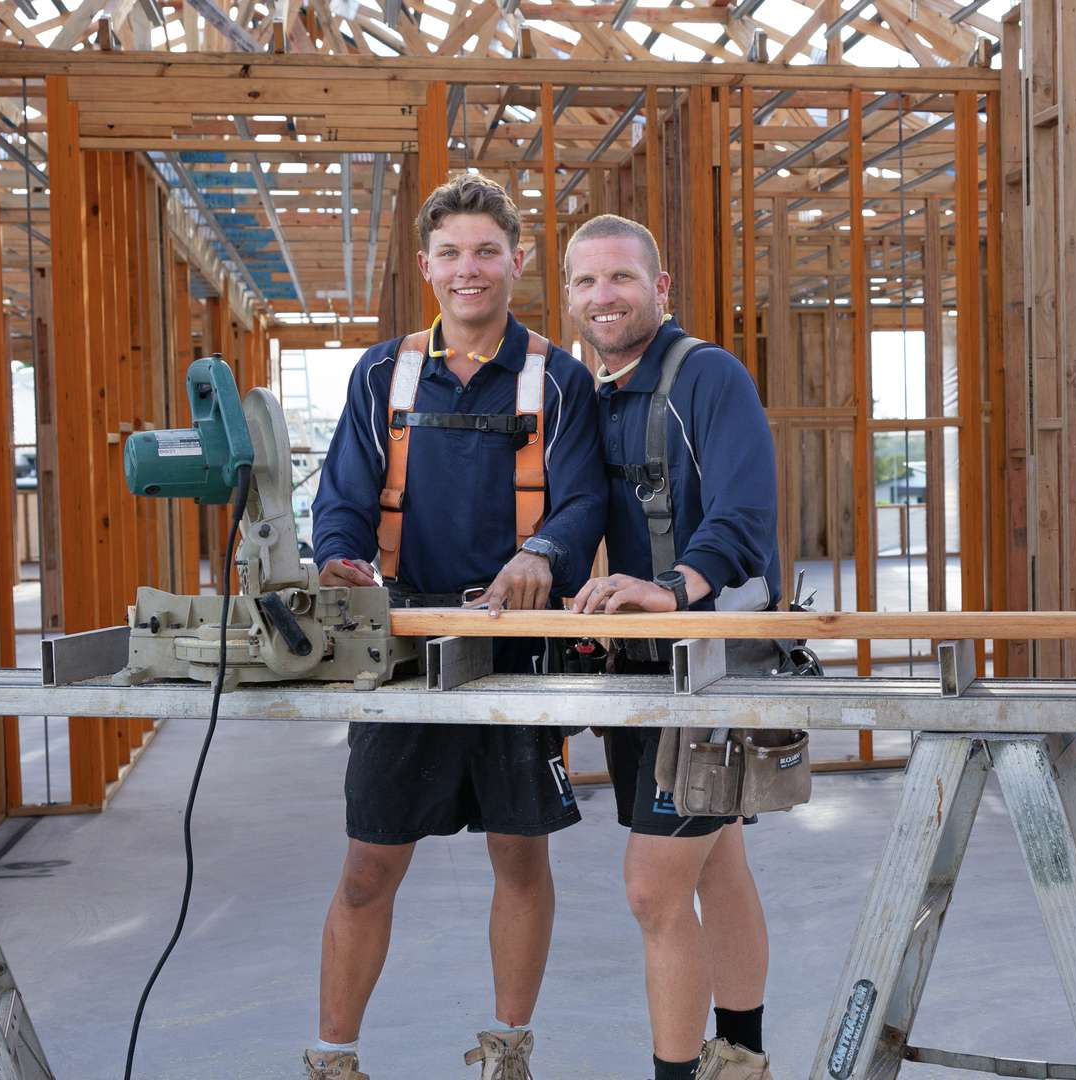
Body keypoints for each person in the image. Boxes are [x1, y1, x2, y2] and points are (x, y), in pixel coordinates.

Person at [304, 173, 607, 1080]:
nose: (468, 270)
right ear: (427, 267)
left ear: (516, 261)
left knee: (519, 857)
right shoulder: (381, 373)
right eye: (451, 254)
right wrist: (339, 559)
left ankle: (509, 1049)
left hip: (520, 646)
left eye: (486, 252)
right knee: (368, 867)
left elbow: (584, 495)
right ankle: (334, 1059)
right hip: (402, 648)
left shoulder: (557, 377)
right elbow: (343, 498)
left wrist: (544, 554)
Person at [564, 214, 781, 1080]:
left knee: (655, 887)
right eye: (585, 282)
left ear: (660, 289)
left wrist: (675, 586)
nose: (602, 296)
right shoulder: (595, 395)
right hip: (642, 668)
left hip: (709, 665)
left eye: (620, 278)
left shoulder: (708, 378)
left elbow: (745, 513)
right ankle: (743, 1060)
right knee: (717, 858)